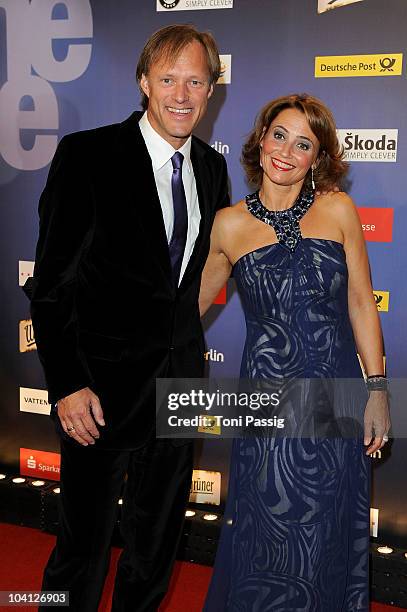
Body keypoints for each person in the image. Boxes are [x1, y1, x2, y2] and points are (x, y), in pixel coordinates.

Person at [30, 24, 229, 612]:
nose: (181, 94)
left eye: (196, 81)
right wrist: (66, 383)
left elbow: (192, 283)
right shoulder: (87, 155)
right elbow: (50, 284)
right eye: (168, 78)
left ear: (211, 91)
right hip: (98, 391)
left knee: (157, 544)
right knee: (82, 546)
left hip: (180, 386)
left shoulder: (212, 173)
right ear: (145, 82)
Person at [199, 94, 390, 611]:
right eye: (278, 135)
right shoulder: (227, 225)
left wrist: (376, 390)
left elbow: (360, 302)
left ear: (317, 158)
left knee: (326, 532)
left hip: (335, 398)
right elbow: (179, 313)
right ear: (260, 140)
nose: (286, 150)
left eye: (303, 143)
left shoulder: (339, 211)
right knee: (268, 530)